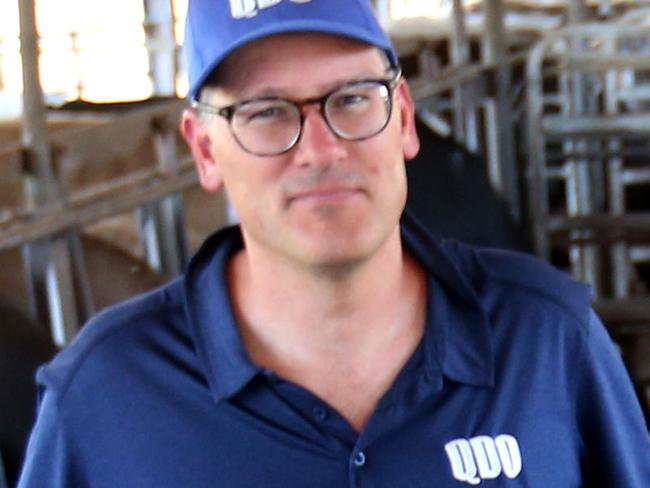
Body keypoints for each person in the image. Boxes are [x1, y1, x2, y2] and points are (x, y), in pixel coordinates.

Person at [18, 1, 649, 486]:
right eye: (265, 112)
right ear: (205, 149)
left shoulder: (545, 338)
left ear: (403, 117)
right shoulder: (105, 395)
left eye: (351, 99)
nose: (320, 149)